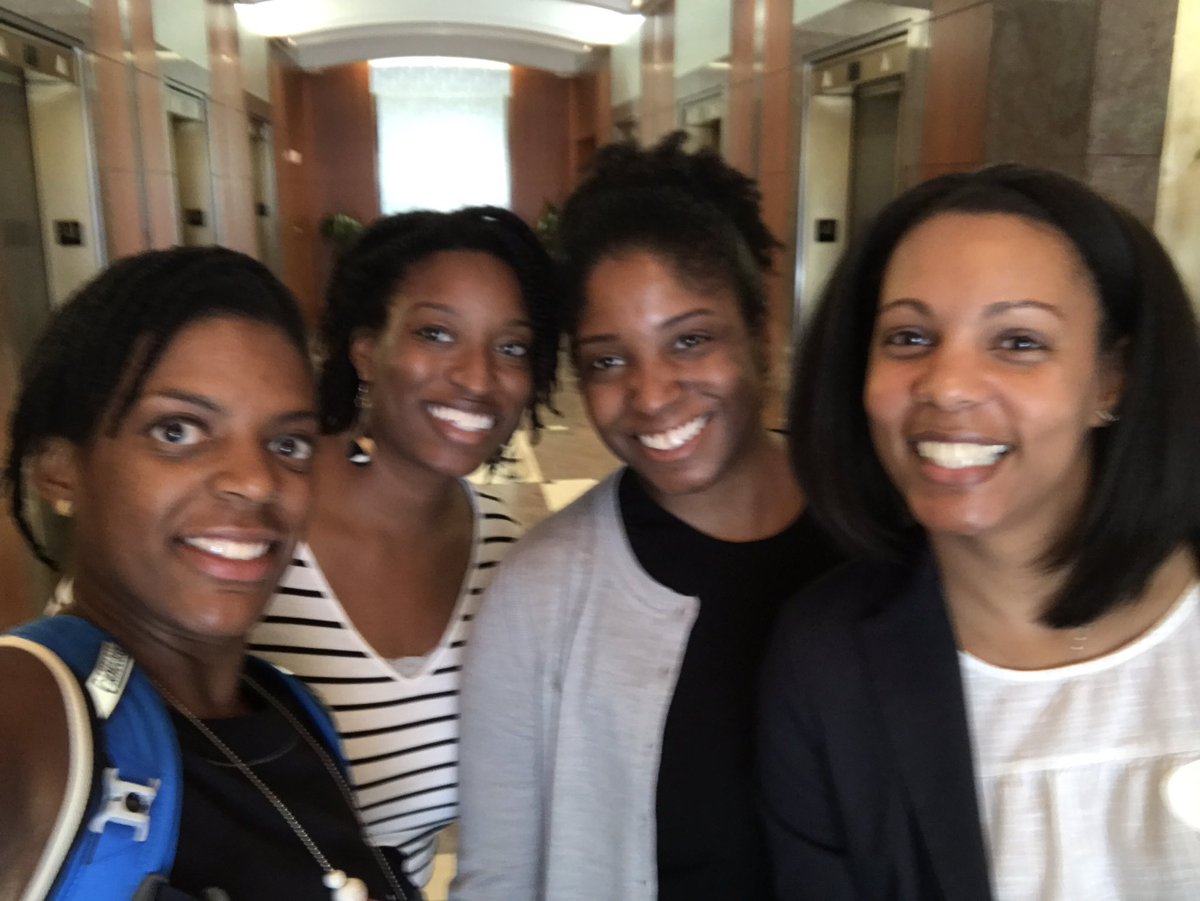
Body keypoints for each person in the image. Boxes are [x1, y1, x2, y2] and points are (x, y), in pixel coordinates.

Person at [760, 164, 1200, 900]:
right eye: (909, 337)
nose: (947, 385)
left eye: (1019, 341)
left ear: (1111, 378)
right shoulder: (825, 663)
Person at [452, 133, 843, 901]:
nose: (653, 393)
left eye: (690, 340)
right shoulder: (541, 592)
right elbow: (498, 874)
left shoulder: (876, 536)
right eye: (608, 359)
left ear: (761, 336)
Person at [0, 246, 416, 900]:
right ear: (59, 469)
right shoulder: (33, 709)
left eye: (287, 443)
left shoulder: (297, 716)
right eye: (177, 431)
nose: (256, 480)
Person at [248, 206, 559, 886]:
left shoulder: (505, 555)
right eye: (436, 333)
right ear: (366, 349)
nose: (477, 377)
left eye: (510, 347)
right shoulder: (258, 519)